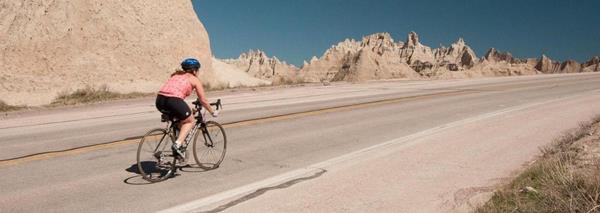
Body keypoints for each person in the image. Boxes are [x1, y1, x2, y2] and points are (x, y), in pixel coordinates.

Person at [155, 58, 218, 157]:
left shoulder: (176, 75)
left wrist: (189, 109)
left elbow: (175, 94)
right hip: (173, 101)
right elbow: (203, 100)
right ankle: (177, 145)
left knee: (181, 120)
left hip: (159, 100)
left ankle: (178, 151)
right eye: (198, 70)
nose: (198, 72)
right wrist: (212, 112)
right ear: (194, 70)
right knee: (190, 121)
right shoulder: (194, 79)